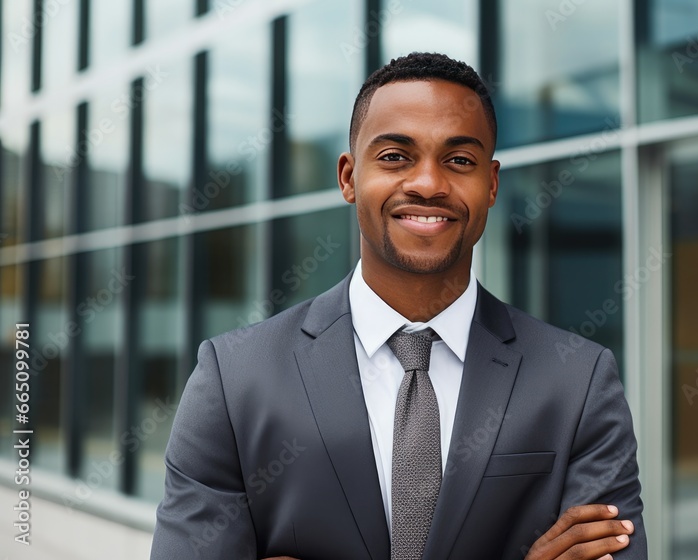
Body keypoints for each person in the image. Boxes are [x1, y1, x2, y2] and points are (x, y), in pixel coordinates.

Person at [150, 52, 645, 560]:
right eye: (395, 157)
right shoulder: (234, 379)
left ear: (492, 184)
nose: (428, 184)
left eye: (459, 161)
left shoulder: (578, 381)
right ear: (348, 177)